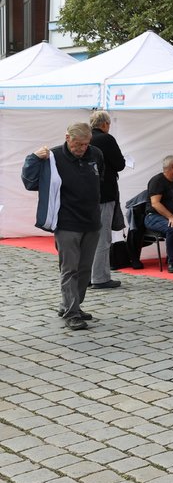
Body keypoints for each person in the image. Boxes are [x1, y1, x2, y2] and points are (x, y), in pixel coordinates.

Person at [21, 123, 105, 331]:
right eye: (78, 144)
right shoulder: (53, 157)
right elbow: (30, 182)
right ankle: (72, 313)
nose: (82, 148)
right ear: (68, 138)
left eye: (86, 144)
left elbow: (100, 178)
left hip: (92, 221)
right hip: (67, 223)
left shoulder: (96, 154)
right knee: (69, 269)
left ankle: (71, 304)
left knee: (85, 269)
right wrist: (32, 159)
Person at [89, 110, 125, 290]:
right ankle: (100, 277)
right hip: (104, 193)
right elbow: (120, 163)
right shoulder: (106, 139)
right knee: (103, 237)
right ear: (104, 125)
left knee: (87, 238)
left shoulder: (84, 138)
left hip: (85, 196)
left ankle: (86, 276)